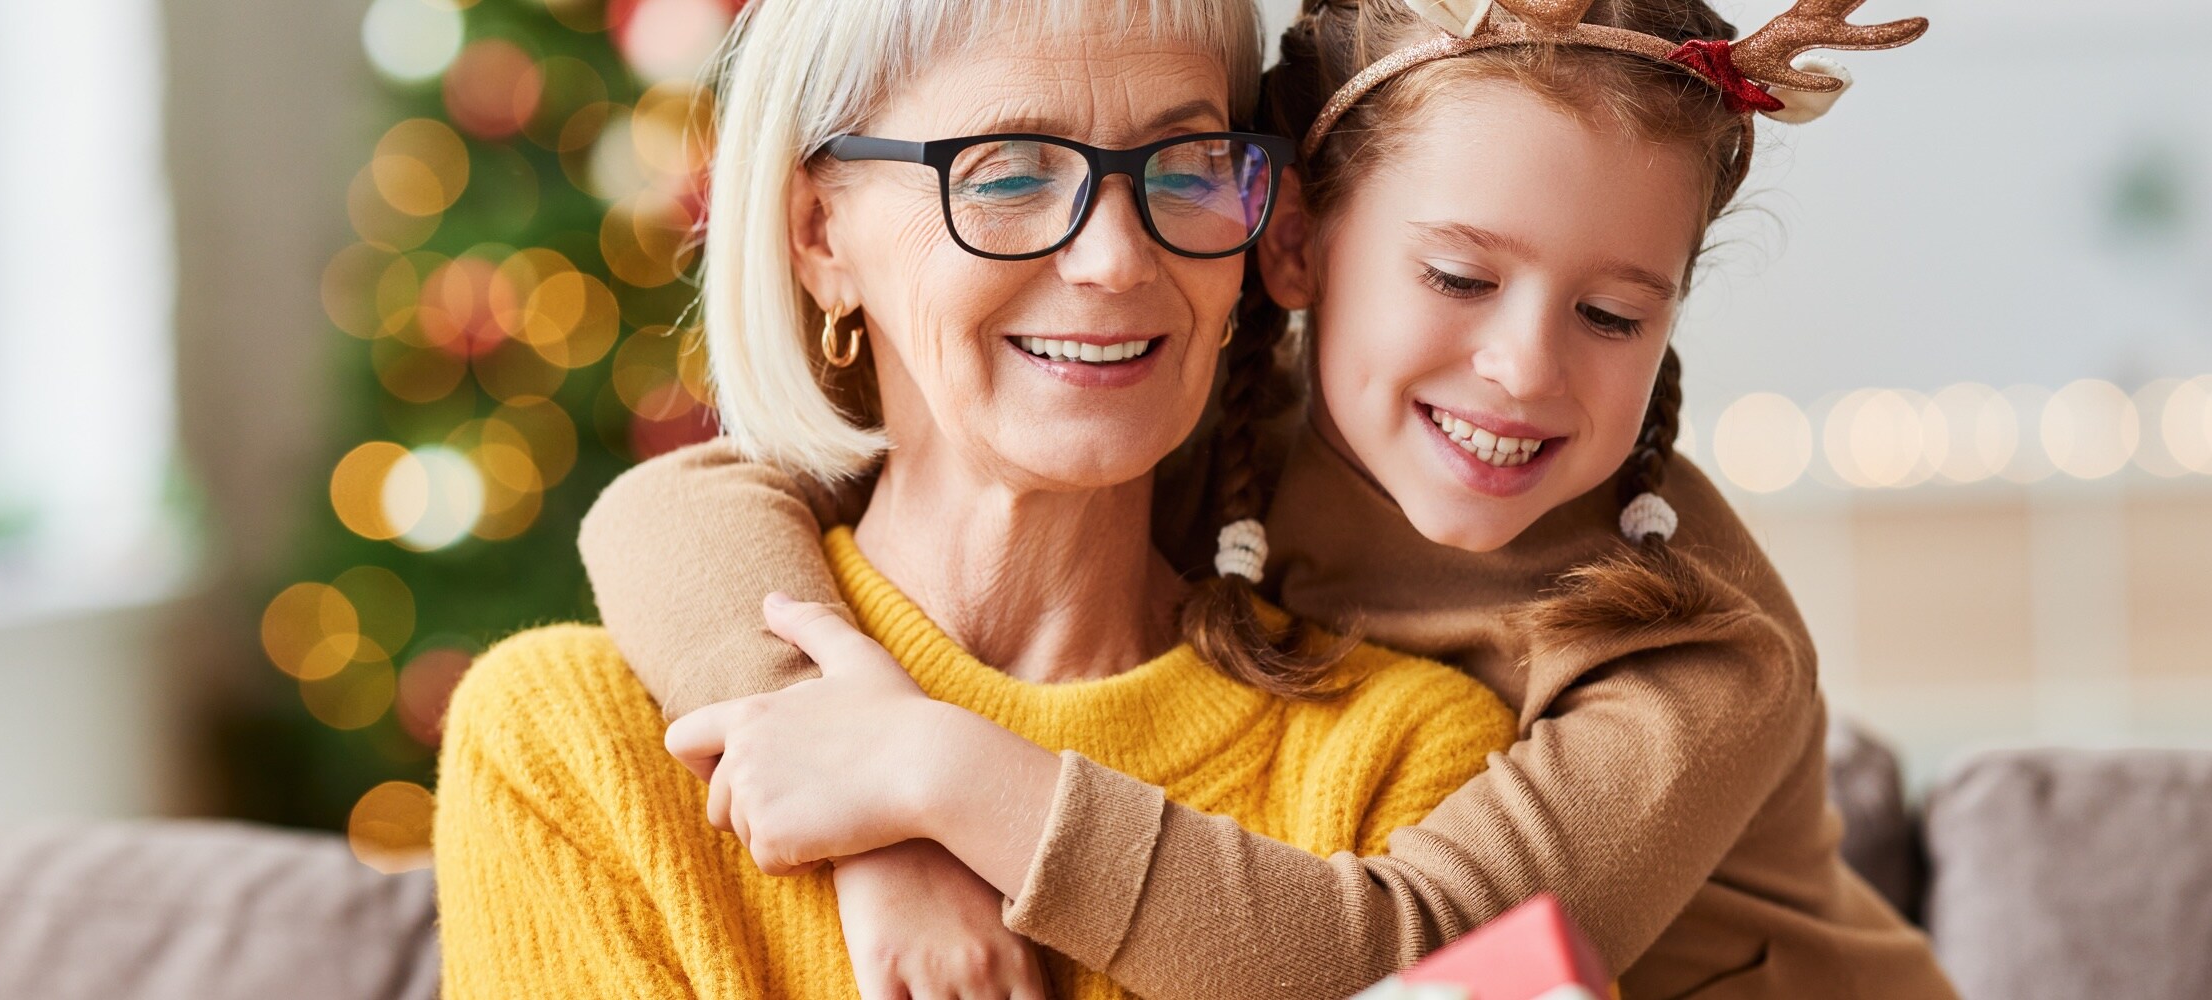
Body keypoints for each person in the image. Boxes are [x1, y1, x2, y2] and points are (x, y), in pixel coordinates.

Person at [582, 1, 1960, 998]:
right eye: (1460, 279)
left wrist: (930, 773)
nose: (1521, 368)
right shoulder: (1201, 422)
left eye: (1609, 312)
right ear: (1291, 243)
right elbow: (672, 512)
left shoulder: (1700, 654)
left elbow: (1397, 960)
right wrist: (858, 813)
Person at [431, 1, 1523, 997]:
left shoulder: (1407, 769)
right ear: (819, 233)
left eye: (1187, 167)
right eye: (1007, 174)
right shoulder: (574, 749)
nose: (1114, 255)